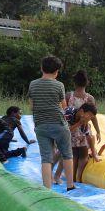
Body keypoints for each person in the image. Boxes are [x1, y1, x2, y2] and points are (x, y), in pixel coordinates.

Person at [29, 55, 75, 191]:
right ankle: (70, 185)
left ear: (41, 68)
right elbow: (64, 106)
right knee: (67, 154)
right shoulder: (59, 85)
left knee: (46, 158)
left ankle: (47, 189)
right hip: (59, 123)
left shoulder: (33, 84)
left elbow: (31, 106)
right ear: (57, 72)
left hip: (41, 125)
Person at [67, 103, 100, 182]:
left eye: (92, 116)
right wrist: (79, 123)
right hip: (60, 132)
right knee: (73, 153)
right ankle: (72, 178)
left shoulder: (84, 121)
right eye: (90, 115)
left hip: (75, 127)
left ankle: (79, 178)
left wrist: (94, 153)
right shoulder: (68, 113)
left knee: (83, 150)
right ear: (82, 111)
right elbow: (65, 131)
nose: (91, 118)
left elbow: (89, 137)